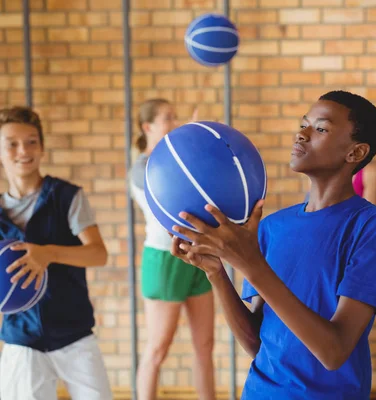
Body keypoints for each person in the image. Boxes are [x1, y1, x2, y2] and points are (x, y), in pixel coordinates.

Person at [170, 91, 376, 399]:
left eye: (320, 128)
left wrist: (251, 265)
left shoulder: (374, 228)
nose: (302, 134)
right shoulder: (272, 227)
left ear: (355, 153)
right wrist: (216, 272)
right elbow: (256, 342)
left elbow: (334, 351)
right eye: (303, 124)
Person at [0, 106, 112, 400]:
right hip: (21, 337)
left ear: (42, 147)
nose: (23, 150)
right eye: (12, 143)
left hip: (74, 333)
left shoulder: (67, 197)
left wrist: (48, 253)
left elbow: (98, 254)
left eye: (31, 141)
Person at [128, 99, 215, 400]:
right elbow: (169, 184)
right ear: (147, 127)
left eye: (175, 117)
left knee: (205, 345)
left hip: (196, 255)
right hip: (164, 259)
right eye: (167, 118)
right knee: (157, 349)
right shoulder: (142, 167)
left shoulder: (175, 159)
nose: (173, 123)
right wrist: (187, 141)